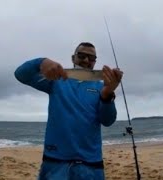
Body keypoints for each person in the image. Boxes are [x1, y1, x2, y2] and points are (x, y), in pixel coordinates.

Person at [14, 42, 123, 180]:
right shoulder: (56, 80)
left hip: (91, 165)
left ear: (95, 62)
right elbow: (20, 75)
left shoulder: (101, 87)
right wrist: (41, 62)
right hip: (55, 162)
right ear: (73, 58)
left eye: (91, 58)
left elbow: (107, 121)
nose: (86, 60)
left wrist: (107, 94)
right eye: (82, 56)